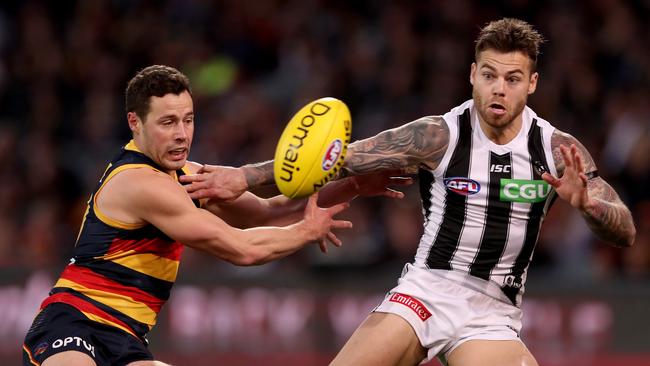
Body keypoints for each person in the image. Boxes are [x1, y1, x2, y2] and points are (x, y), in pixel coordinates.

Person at [180, 18, 637, 366]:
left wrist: (588, 204)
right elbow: (338, 157)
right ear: (472, 75)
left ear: (531, 84)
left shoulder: (557, 149)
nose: (499, 89)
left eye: (513, 79)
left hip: (492, 312)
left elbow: (626, 232)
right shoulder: (439, 135)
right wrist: (244, 176)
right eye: (490, 75)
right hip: (426, 292)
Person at [21, 65, 406, 366]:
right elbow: (240, 248)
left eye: (188, 119)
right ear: (134, 123)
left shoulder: (185, 175)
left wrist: (353, 184)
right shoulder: (139, 183)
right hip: (71, 325)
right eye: (168, 122)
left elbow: (268, 210)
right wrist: (305, 231)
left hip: (126, 342)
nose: (182, 134)